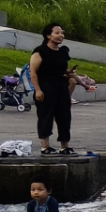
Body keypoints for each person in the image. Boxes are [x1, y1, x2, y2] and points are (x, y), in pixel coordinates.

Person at [29, 23, 76, 154]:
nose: (61, 35)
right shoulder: (40, 51)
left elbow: (61, 70)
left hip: (61, 87)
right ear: (48, 35)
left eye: (62, 33)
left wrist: (70, 75)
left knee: (64, 117)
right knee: (46, 116)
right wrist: (38, 90)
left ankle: (64, 146)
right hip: (46, 87)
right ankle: (45, 146)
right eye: (57, 33)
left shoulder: (63, 52)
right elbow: (33, 72)